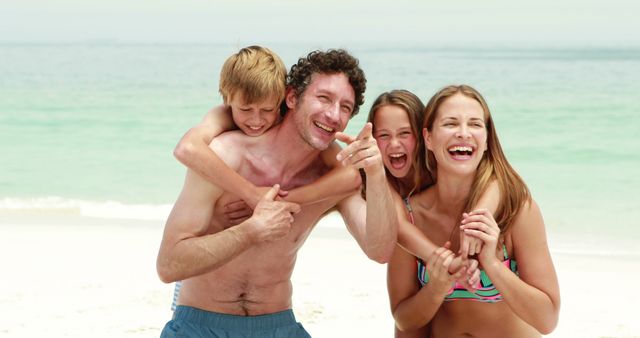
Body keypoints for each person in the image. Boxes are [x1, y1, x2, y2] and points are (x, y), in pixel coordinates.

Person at [156, 49, 398, 337]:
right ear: (292, 97)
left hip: (277, 326)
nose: (333, 115)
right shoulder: (225, 157)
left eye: (345, 107)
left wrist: (376, 173)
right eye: (324, 98)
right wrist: (250, 231)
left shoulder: (332, 177)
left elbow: (380, 250)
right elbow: (169, 265)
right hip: (201, 325)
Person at [386, 85, 560, 337]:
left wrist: (493, 265)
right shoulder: (411, 216)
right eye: (450, 123)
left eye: (475, 124)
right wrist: (436, 288)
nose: (463, 133)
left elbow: (547, 319)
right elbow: (404, 320)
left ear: (487, 140)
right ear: (428, 138)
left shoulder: (516, 210)